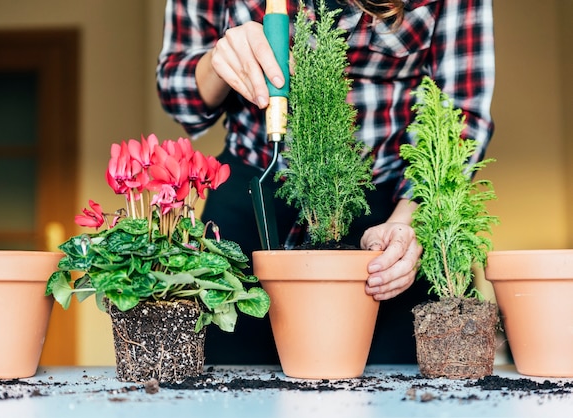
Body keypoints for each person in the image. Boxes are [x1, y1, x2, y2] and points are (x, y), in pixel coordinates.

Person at [156, 0, 495, 365]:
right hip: (256, 195)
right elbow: (181, 102)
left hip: (385, 215)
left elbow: (459, 114)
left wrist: (407, 220)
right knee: (226, 381)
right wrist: (219, 62)